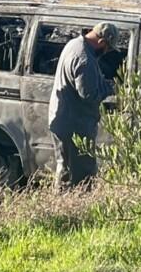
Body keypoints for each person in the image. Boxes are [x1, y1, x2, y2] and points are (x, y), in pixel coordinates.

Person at [49, 22, 116, 187]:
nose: (106, 52)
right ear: (102, 42)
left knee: (65, 169)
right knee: (82, 176)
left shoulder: (74, 44)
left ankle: (61, 206)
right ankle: (74, 208)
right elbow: (89, 94)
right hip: (75, 126)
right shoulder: (84, 59)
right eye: (107, 48)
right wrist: (111, 88)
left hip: (63, 119)